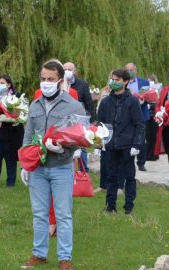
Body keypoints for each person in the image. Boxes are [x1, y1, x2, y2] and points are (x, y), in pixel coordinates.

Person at [20, 59, 82, 270]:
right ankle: (39, 254)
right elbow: (28, 136)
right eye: (43, 78)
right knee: (39, 213)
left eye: (50, 79)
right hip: (38, 167)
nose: (46, 82)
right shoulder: (35, 105)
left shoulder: (73, 105)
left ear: (60, 81)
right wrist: (25, 164)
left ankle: (65, 258)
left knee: (63, 214)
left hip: (61, 167)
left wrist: (63, 147)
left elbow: (81, 137)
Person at [97, 68, 144, 214]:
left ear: (125, 82)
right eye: (112, 79)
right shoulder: (105, 102)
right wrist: (99, 143)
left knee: (129, 176)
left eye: (117, 80)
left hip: (127, 145)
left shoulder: (132, 101)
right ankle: (110, 206)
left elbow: (139, 124)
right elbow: (100, 124)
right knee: (111, 176)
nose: (113, 82)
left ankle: (129, 206)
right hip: (110, 145)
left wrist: (136, 144)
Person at [63, 62, 95, 172]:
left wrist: (91, 120)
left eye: (69, 69)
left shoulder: (82, 84)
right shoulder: (59, 84)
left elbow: (89, 103)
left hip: (79, 119)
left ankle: (83, 170)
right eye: (65, 69)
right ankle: (67, 169)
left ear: (74, 71)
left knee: (81, 146)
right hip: (63, 120)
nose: (67, 71)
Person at [0, 75, 23, 188]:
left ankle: (11, 182)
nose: (0, 85)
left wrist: (14, 118)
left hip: (13, 132)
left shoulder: (17, 96)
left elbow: (21, 112)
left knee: (11, 158)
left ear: (9, 84)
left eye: (3, 83)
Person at [124, 62, 153, 171]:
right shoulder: (123, 82)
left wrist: (143, 100)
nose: (129, 72)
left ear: (136, 71)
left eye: (132, 70)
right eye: (127, 70)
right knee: (128, 138)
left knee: (141, 139)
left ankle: (141, 162)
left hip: (141, 113)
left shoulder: (144, 82)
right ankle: (127, 160)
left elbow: (150, 97)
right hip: (126, 115)